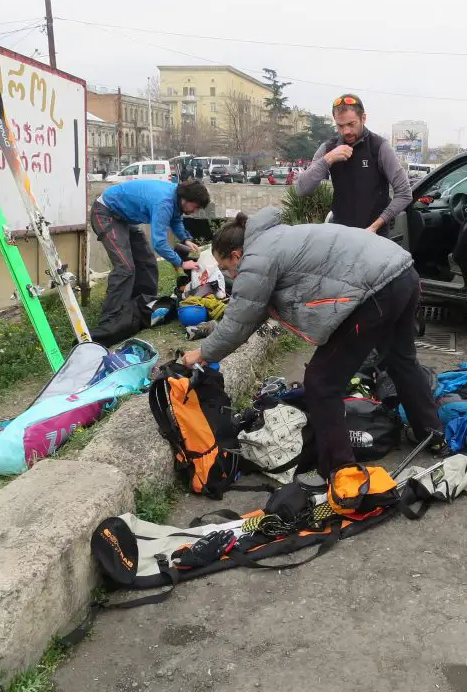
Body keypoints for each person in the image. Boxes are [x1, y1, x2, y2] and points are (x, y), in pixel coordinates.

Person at [181, 208, 443, 481]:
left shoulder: (256, 257)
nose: (228, 273)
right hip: (402, 272)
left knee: (321, 382)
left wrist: (202, 353)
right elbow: (253, 312)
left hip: (376, 290)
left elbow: (239, 320)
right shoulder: (274, 239)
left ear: (236, 254)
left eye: (224, 267)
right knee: (401, 360)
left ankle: (341, 472)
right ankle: (433, 435)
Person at [90, 179, 210, 333]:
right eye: (196, 206)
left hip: (123, 218)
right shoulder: (164, 202)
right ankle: (109, 321)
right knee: (125, 268)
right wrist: (181, 263)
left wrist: (185, 238)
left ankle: (140, 306)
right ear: (186, 199)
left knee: (147, 261)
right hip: (105, 213)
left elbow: (176, 218)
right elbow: (159, 243)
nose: (195, 211)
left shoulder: (176, 196)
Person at [296, 93, 412, 237]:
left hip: (375, 236)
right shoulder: (329, 148)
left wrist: (375, 226)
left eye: (351, 124)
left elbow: (404, 193)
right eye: (340, 125)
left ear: (363, 118)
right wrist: (328, 159)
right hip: (340, 235)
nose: (346, 131)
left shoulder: (379, 147)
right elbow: (302, 189)